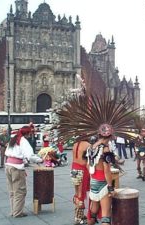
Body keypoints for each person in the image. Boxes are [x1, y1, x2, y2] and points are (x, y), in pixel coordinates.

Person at [55, 92, 138, 225]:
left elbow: (88, 164)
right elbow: (107, 170)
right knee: (105, 214)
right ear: (109, 135)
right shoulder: (106, 150)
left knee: (93, 211)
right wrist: (110, 187)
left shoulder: (91, 148)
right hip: (103, 182)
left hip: (93, 182)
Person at [5, 126, 34, 218]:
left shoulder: (14, 139)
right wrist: (40, 159)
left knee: (12, 190)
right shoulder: (23, 141)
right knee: (20, 190)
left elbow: (9, 153)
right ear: (27, 133)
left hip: (8, 166)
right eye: (30, 133)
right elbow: (30, 155)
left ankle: (13, 210)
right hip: (16, 168)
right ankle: (17, 212)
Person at [71, 139, 90, 225]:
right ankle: (78, 217)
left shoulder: (75, 144)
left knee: (77, 193)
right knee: (80, 194)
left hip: (74, 169)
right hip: (82, 170)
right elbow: (87, 161)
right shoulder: (87, 145)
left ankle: (79, 215)